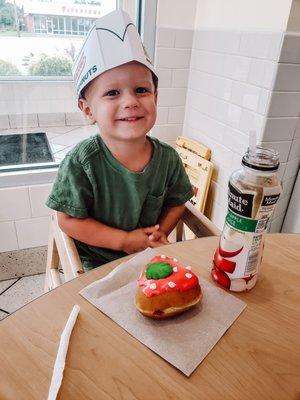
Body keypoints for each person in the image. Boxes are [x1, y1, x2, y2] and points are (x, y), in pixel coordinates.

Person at [46, 9, 193, 270]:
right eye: (112, 93)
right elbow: (67, 219)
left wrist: (160, 232)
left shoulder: (168, 159)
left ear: (155, 97)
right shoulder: (82, 163)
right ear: (88, 109)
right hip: (96, 262)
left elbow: (177, 201)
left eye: (141, 90)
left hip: (148, 253)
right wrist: (123, 240)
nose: (130, 102)